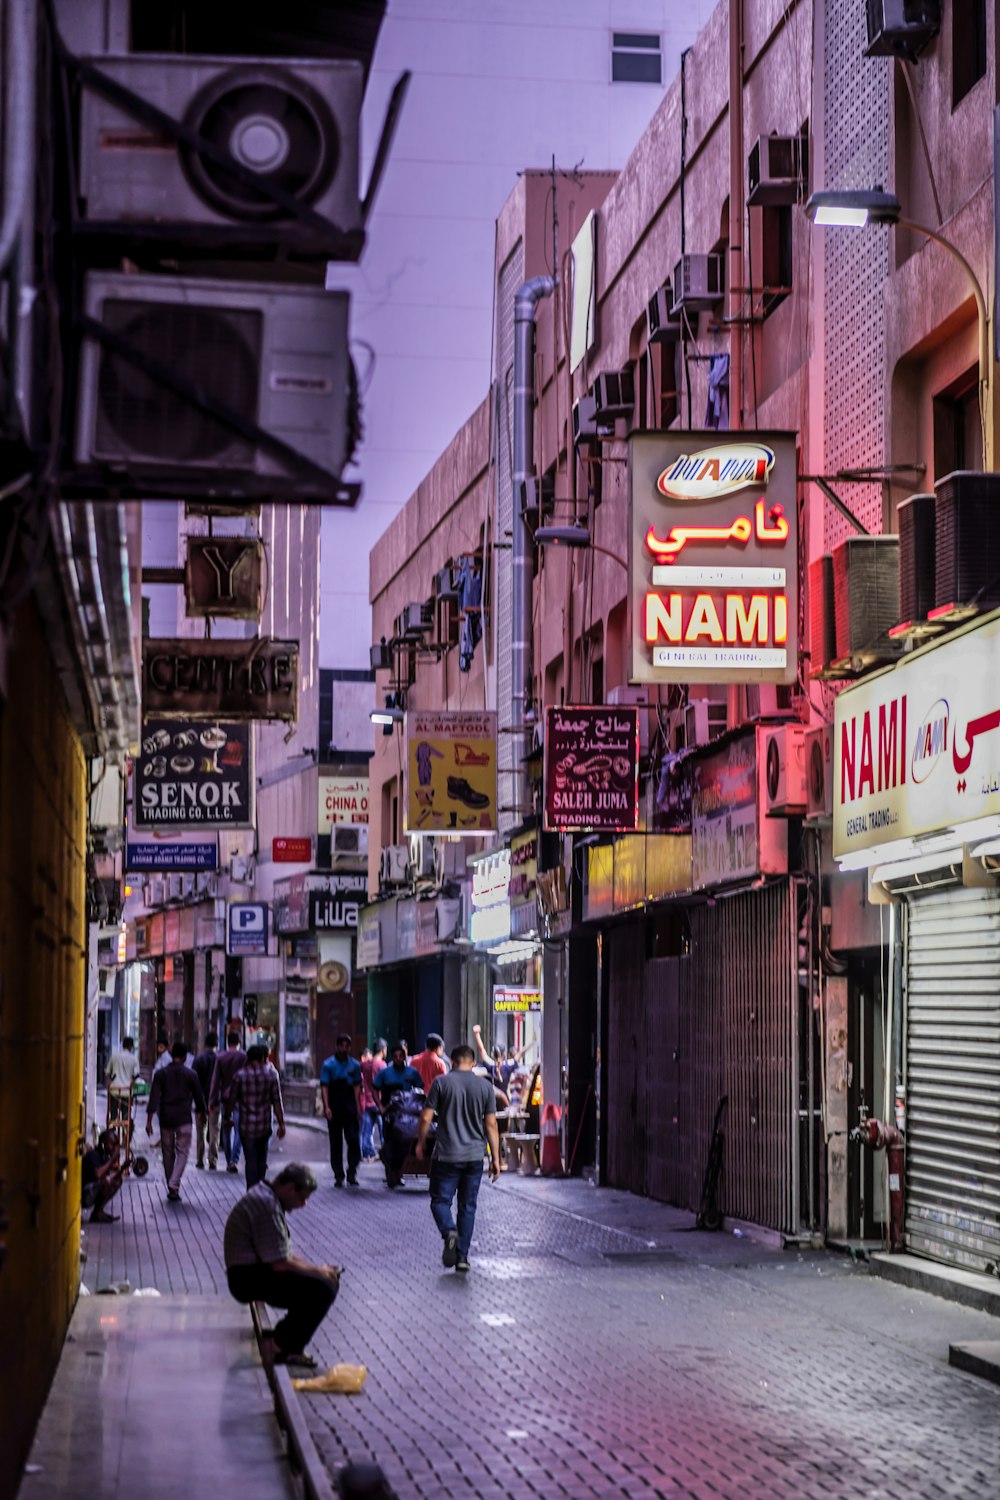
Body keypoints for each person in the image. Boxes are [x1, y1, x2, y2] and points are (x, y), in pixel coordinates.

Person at [223, 1162, 340, 1371]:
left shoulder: (268, 1198)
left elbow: (282, 1254)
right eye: (301, 1197)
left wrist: (319, 1270)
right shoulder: (266, 1206)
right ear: (289, 1188)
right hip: (246, 1277)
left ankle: (286, 1341)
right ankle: (281, 1346)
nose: (303, 1204)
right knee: (323, 1289)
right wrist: (319, 1273)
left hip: (253, 1270)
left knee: (322, 1282)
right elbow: (280, 1262)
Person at [416, 1044, 500, 1273]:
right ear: (473, 1063)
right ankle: (462, 1256)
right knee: (468, 1207)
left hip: (446, 1156)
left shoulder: (441, 1083)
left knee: (440, 1201)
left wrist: (421, 1143)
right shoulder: (485, 1087)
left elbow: (425, 1118)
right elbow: (491, 1124)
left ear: (452, 1061)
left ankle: (448, 1231)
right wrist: (496, 1159)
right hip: (474, 1157)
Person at [146, 1041, 206, 1202]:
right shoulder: (191, 1074)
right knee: (183, 1153)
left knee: (167, 1153)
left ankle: (172, 1185)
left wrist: (149, 1120)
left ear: (172, 1055)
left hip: (166, 1118)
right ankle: (173, 1184)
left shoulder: (161, 1074)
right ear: (185, 1057)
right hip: (184, 1119)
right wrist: (203, 1113)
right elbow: (199, 1098)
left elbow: (154, 1097)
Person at [230, 1043, 286, 1189]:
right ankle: (259, 1188)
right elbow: (277, 1102)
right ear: (263, 1058)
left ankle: (251, 1191)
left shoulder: (239, 1076)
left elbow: (232, 1099)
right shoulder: (272, 1075)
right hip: (264, 1126)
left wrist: (227, 1117)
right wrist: (281, 1124)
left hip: (246, 1126)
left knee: (250, 1160)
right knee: (262, 1161)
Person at [320, 1034, 363, 1188]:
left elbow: (357, 1087)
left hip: (350, 1104)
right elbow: (324, 1087)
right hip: (335, 1102)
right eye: (342, 1045)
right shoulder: (328, 1065)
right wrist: (327, 1106)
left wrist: (359, 1106)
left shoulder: (355, 1065)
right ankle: (338, 1174)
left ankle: (352, 1171)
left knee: (353, 1139)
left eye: (347, 1046)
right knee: (336, 1142)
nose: (344, 1049)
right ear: (337, 1046)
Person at [210, 1028, 247, 1174]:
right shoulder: (244, 1057)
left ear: (227, 1042)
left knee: (226, 1130)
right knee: (240, 1131)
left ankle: (228, 1160)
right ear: (239, 1042)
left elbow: (215, 1081)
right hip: (241, 1098)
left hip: (225, 1098)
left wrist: (212, 1100)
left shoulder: (221, 1057)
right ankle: (234, 1160)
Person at [81, 1129, 124, 1223]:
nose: (113, 1147)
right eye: (111, 1144)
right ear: (103, 1143)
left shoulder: (103, 1156)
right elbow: (98, 1174)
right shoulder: (94, 1155)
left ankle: (98, 1212)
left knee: (117, 1180)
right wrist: (112, 1159)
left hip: (90, 1191)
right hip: (84, 1194)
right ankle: (97, 1213)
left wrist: (122, 1167)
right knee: (106, 1182)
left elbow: (112, 1174)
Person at [192, 1032, 219, 1169]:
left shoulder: (198, 1060)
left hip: (199, 1101)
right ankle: (212, 1160)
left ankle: (200, 1160)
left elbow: (194, 1082)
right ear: (217, 1044)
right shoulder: (219, 1059)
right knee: (214, 1131)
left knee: (200, 1131)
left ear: (205, 1044)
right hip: (215, 1102)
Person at [359, 1041, 387, 1161]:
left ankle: (368, 1152)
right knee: (383, 1130)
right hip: (379, 1101)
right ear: (383, 1050)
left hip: (367, 1101)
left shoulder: (365, 1065)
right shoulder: (382, 1065)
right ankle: (385, 1153)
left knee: (367, 1130)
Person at [105, 1036, 140, 1122]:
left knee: (113, 1114)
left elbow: (107, 1073)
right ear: (131, 1047)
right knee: (126, 1116)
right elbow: (136, 1075)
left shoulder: (114, 1056)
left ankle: (112, 1131)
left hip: (114, 1090)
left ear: (123, 1045)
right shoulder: (134, 1059)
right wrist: (131, 1082)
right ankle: (126, 1132)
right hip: (126, 1091)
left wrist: (111, 1080)